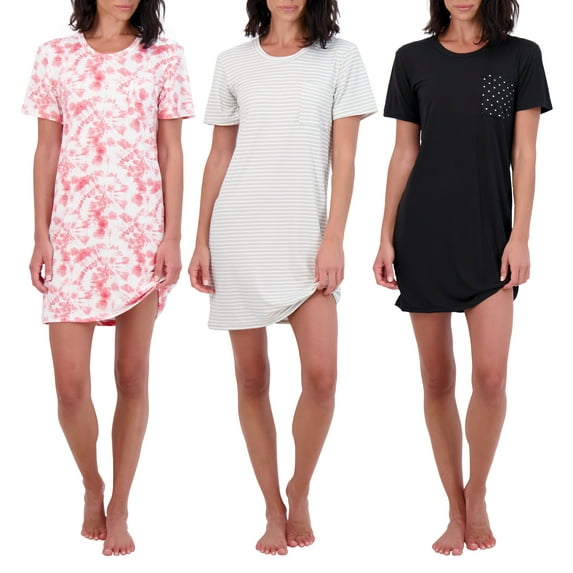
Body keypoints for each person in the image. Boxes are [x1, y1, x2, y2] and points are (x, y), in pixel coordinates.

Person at [189, 0, 376, 556]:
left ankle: (300, 488)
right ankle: (272, 506)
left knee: (322, 379)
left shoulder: (341, 58)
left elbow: (346, 159)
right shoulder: (233, 61)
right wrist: (200, 239)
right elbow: (219, 156)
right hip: (238, 234)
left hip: (306, 241)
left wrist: (334, 238)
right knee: (252, 380)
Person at [373, 0, 551, 557]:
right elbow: (404, 152)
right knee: (437, 380)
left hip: (490, 238)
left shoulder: (521, 57)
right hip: (423, 233)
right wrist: (385, 235)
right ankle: (454, 507)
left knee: (491, 379)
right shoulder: (412, 58)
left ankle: (478, 492)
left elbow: (525, 152)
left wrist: (520, 235)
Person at [22, 0, 194, 557]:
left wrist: (172, 236)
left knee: (131, 378)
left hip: (139, 233)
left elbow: (171, 151)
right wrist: (41, 234)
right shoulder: (55, 55)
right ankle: (92, 484)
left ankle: (120, 503)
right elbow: (47, 149)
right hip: (72, 234)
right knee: (70, 387)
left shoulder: (164, 56)